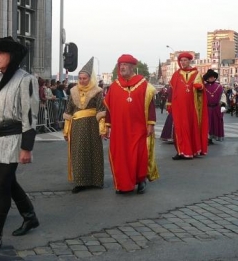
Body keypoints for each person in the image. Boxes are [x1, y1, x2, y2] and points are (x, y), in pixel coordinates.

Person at [0, 36, 39, 255]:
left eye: (1, 53)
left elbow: (30, 115)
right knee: (9, 182)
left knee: (2, 185)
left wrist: (27, 147)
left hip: (14, 139)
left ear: (11, 56)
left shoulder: (26, 80)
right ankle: (30, 217)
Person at [103, 54, 159, 194]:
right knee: (121, 157)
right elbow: (108, 108)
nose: (122, 67)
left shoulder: (144, 85)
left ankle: (140, 180)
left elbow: (151, 106)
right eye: (120, 64)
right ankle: (124, 184)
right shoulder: (114, 86)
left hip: (138, 127)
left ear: (133, 67)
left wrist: (150, 124)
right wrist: (107, 126)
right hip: (120, 129)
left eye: (125, 65)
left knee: (138, 155)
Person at [63, 57, 106, 193]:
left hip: (92, 126)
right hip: (77, 128)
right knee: (79, 153)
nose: (82, 81)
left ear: (90, 78)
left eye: (84, 78)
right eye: (80, 78)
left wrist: (102, 128)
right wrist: (66, 130)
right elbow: (69, 111)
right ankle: (80, 182)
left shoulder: (97, 92)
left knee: (94, 151)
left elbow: (101, 110)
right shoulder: (73, 91)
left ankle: (96, 180)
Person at [166, 52, 208, 160]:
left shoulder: (196, 74)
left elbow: (202, 90)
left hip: (192, 106)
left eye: (185, 60)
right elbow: (171, 90)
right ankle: (181, 151)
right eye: (181, 61)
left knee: (191, 127)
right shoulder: (176, 74)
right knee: (179, 128)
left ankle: (192, 150)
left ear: (189, 61)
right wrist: (169, 103)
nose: (183, 62)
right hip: (178, 106)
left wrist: (200, 87)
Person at [203, 69, 224, 144]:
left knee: (215, 123)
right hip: (207, 108)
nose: (212, 78)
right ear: (207, 78)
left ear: (215, 77)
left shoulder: (219, 87)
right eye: (210, 77)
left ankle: (212, 137)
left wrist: (223, 106)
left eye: (213, 77)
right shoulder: (203, 87)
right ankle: (207, 138)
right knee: (207, 124)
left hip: (216, 108)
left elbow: (223, 97)